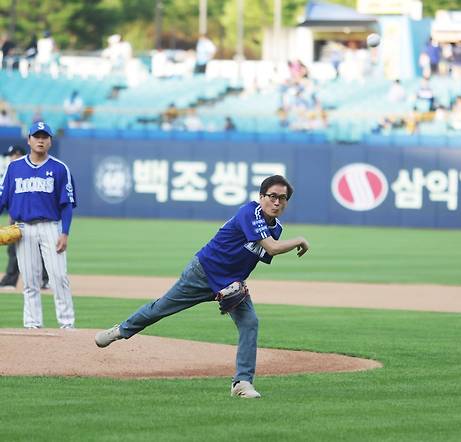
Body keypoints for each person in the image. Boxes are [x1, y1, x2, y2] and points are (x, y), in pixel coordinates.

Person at [95, 175, 310, 399]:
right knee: (161, 308)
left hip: (229, 284)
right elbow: (272, 248)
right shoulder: (250, 212)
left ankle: (242, 383)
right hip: (202, 272)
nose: (277, 202)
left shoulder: (276, 228)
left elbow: (250, 257)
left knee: (250, 323)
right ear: (261, 197)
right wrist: (300, 239)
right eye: (272, 196)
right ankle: (120, 331)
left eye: (282, 199)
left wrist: (237, 284)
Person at [0, 122, 77, 329]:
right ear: (29, 140)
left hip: (51, 227)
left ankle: (67, 323)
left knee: (59, 277)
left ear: (50, 141)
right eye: (37, 136)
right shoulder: (13, 168)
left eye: (45, 136)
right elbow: (2, 199)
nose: (40, 140)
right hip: (22, 229)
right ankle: (32, 324)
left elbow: (67, 205)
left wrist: (65, 232)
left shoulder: (60, 168)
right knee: (30, 281)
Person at [0, 145, 50, 290]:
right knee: (16, 249)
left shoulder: (26, 171)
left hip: (33, 219)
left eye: (11, 155)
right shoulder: (13, 171)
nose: (9, 158)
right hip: (19, 218)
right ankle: (42, 280)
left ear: (18, 154)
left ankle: (13, 281)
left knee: (36, 249)